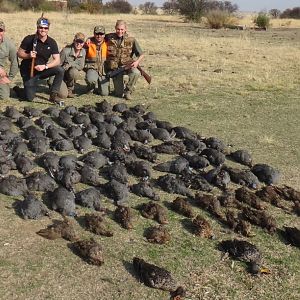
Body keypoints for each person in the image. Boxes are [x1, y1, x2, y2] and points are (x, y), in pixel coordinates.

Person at [17, 17, 64, 103]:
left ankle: (53, 95)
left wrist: (45, 66)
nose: (43, 30)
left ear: (48, 29)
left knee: (60, 70)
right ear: (37, 27)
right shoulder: (29, 39)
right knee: (29, 98)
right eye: (41, 27)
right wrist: (28, 55)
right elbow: (19, 53)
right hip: (28, 71)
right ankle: (18, 90)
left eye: (45, 28)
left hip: (42, 70)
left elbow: (57, 60)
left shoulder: (52, 42)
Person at [105, 20, 144, 100]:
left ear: (125, 29)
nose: (120, 31)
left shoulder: (131, 40)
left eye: (122, 29)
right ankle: (121, 88)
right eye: (118, 29)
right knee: (118, 94)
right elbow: (97, 38)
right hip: (115, 69)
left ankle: (128, 91)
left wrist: (137, 62)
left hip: (127, 66)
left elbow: (141, 54)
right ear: (115, 28)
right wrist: (88, 39)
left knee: (136, 72)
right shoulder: (108, 37)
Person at [50, 32, 86, 98]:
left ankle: (70, 90)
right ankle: (52, 85)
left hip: (69, 74)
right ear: (74, 41)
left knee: (74, 72)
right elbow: (57, 65)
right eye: (77, 41)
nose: (78, 44)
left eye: (81, 42)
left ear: (83, 43)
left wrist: (70, 64)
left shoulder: (83, 51)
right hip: (60, 75)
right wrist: (52, 79)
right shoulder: (65, 51)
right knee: (63, 96)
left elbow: (81, 66)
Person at [84, 25, 109, 96]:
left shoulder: (108, 43)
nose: (99, 36)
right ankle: (90, 87)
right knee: (91, 79)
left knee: (104, 93)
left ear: (104, 35)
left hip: (103, 70)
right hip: (92, 68)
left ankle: (100, 87)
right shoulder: (88, 44)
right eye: (97, 34)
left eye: (101, 34)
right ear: (94, 34)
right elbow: (78, 45)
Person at [0, 20, 18, 100]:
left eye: (0, 30)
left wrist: (9, 78)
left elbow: (15, 62)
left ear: (4, 31)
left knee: (4, 97)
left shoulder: (9, 44)